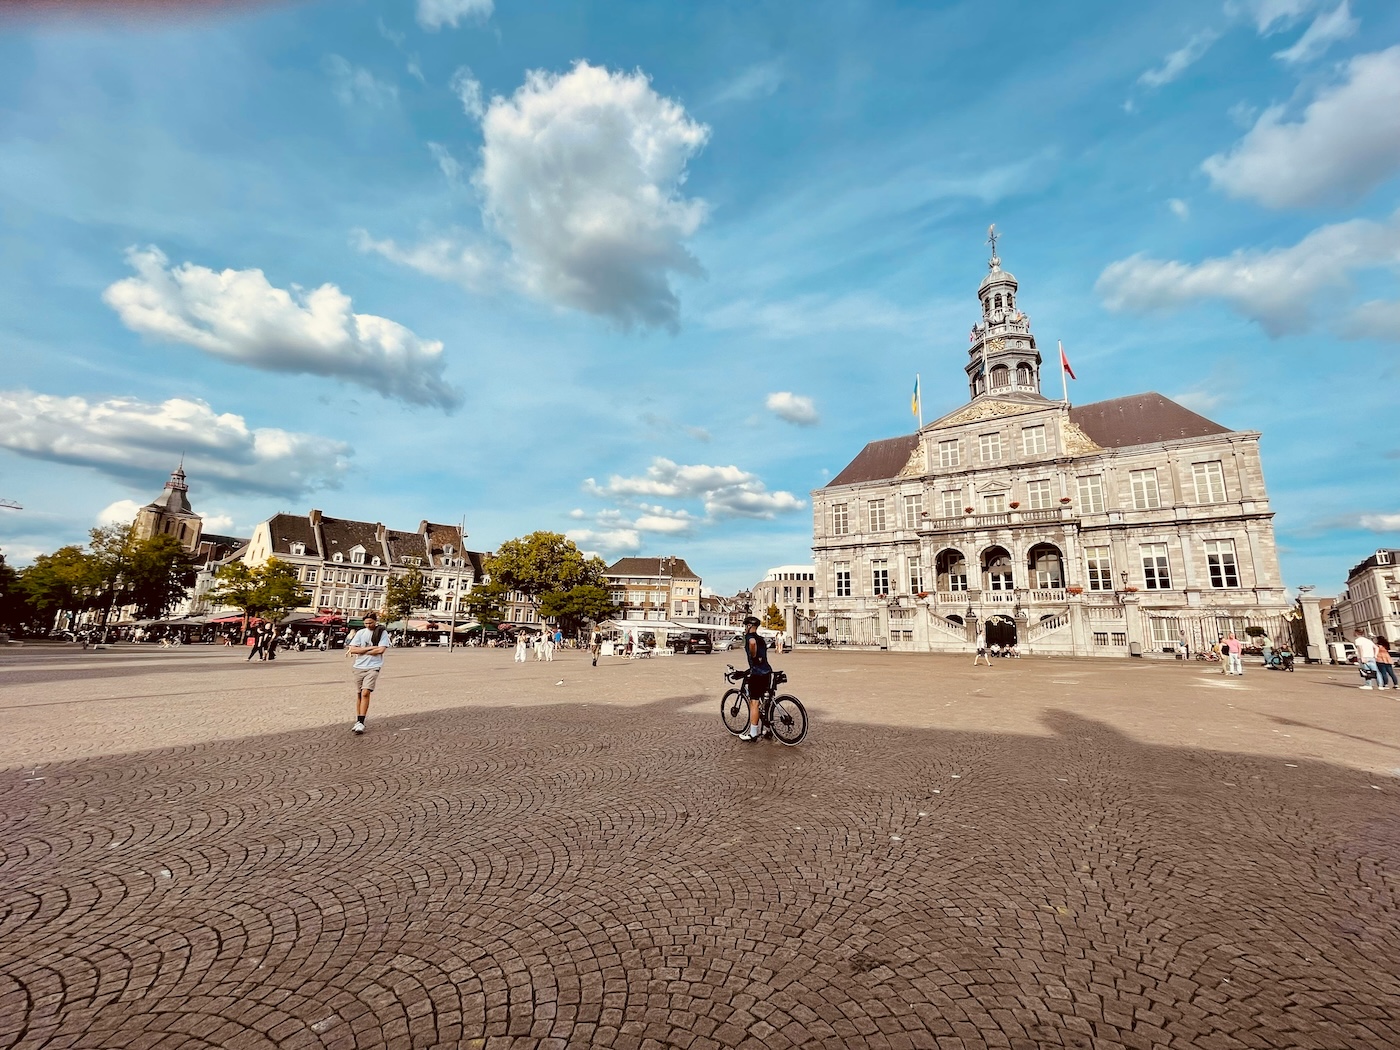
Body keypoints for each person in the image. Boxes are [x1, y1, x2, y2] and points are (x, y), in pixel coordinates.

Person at [346, 611, 389, 733]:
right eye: (365, 623)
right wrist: (371, 648)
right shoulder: (360, 633)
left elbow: (381, 650)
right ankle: (358, 720)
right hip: (359, 666)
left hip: (373, 666)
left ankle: (361, 722)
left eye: (370, 623)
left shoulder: (381, 632)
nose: (368, 625)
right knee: (359, 693)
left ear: (375, 621)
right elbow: (352, 649)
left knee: (366, 692)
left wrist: (362, 650)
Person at [738, 614, 771, 742]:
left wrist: (753, 655)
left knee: (754, 702)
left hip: (757, 673)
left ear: (749, 626)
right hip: (767, 671)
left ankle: (753, 733)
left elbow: (752, 644)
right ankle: (768, 728)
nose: (745, 628)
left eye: (746, 625)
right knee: (766, 700)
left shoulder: (750, 637)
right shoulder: (761, 638)